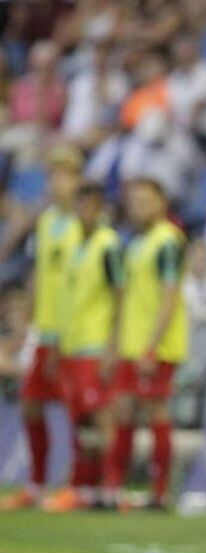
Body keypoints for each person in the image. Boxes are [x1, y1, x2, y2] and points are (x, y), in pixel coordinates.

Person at [1, 146, 84, 511]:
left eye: (64, 176)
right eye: (52, 176)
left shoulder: (87, 225)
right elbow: (37, 274)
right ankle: (35, 484)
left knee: (75, 412)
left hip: (76, 333)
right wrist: (28, 324)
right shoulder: (47, 222)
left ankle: (75, 484)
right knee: (31, 405)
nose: (57, 183)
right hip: (45, 329)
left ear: (78, 181)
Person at [101, 178, 188, 508]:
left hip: (157, 347)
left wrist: (152, 346)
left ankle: (160, 492)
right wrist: (114, 345)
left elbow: (169, 297)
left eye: (145, 199)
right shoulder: (136, 242)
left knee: (156, 413)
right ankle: (113, 489)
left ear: (161, 202)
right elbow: (126, 301)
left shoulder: (168, 240)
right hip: (130, 345)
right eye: (133, 200)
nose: (138, 206)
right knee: (121, 411)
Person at [54, 182, 123, 508]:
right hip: (72, 342)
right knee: (79, 419)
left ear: (100, 209)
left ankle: (110, 487)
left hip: (95, 344)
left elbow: (120, 295)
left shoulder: (108, 244)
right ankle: (85, 485)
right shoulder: (72, 242)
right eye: (81, 206)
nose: (86, 213)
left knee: (101, 416)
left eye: (92, 206)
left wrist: (112, 344)